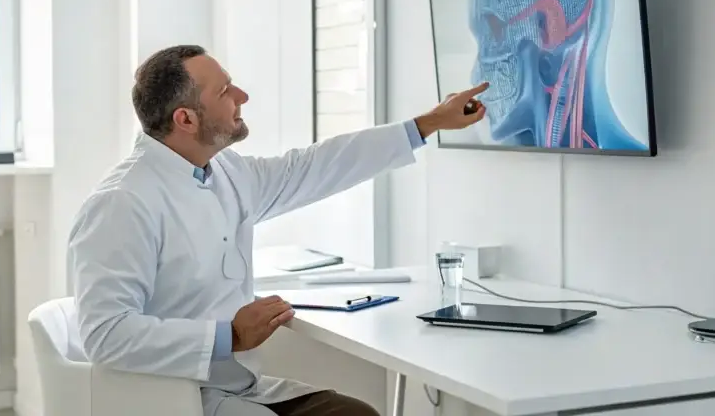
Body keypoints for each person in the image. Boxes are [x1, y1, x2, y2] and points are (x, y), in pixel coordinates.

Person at [69, 44, 488, 416]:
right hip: (176, 398)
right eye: (224, 91)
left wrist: (427, 124)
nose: (242, 97)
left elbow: (313, 167)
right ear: (186, 119)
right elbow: (105, 335)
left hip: (236, 386)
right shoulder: (122, 202)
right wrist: (228, 335)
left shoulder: (221, 171)